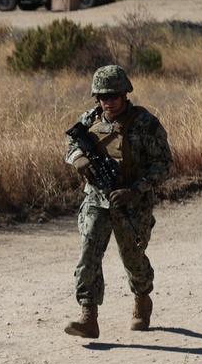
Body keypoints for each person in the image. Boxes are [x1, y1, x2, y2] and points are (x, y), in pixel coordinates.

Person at [64, 65, 173, 339]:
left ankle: (142, 300)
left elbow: (164, 164)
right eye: (102, 95)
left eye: (113, 94)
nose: (108, 101)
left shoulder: (146, 123)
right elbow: (71, 146)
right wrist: (78, 159)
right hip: (97, 200)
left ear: (125, 93)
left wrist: (135, 190)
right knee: (88, 255)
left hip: (131, 204)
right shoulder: (89, 120)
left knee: (133, 259)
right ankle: (88, 318)